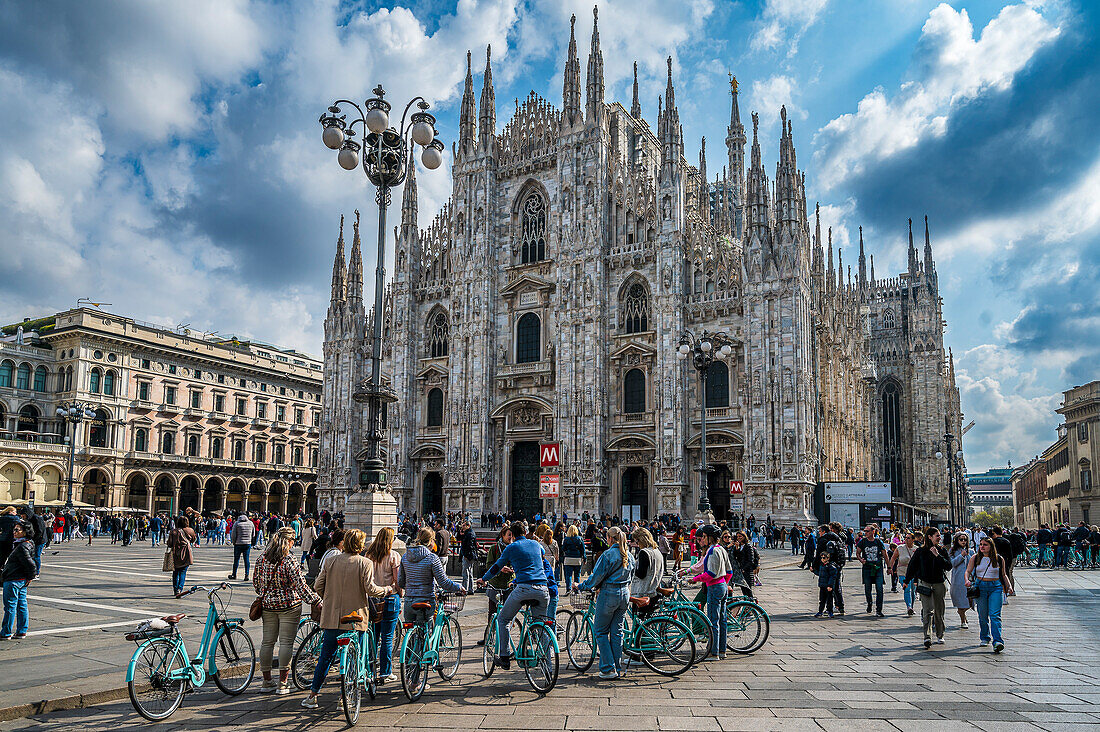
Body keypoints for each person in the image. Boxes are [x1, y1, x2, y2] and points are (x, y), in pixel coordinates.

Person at [301, 529, 392, 709]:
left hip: (332, 618)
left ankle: (312, 696)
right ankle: (346, 698)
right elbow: (371, 589)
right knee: (354, 657)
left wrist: (330, 598)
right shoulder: (364, 562)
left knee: (325, 658)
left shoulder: (330, 560)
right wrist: (387, 590)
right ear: (360, 544)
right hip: (355, 618)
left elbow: (318, 585)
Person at [253, 527, 321, 694]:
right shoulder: (289, 559)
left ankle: (267, 681)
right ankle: (282, 684)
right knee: (286, 643)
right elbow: (301, 586)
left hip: (268, 606)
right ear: (289, 542)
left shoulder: (262, 558)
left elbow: (256, 584)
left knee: (267, 642)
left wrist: (268, 593)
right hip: (289, 606)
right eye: (293, 541)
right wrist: (315, 600)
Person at [477, 522, 548, 670]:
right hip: (543, 589)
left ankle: (504, 657)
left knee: (503, 619)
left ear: (513, 535)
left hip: (524, 588)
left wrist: (483, 579)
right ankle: (548, 665)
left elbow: (496, 567)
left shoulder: (511, 547)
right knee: (541, 625)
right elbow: (542, 554)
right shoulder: (536, 544)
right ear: (526, 531)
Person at [574, 525, 635, 679]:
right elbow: (631, 575)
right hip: (624, 595)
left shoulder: (608, 555)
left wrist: (580, 586)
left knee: (600, 631)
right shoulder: (629, 554)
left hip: (609, 594)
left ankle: (608, 668)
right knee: (617, 633)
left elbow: (596, 577)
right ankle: (617, 667)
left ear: (609, 538)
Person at [365, 526, 402, 684]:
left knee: (373, 635)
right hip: (389, 597)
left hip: (373, 598)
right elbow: (397, 581)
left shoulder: (369, 555)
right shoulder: (393, 556)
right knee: (387, 637)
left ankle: (369, 670)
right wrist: (401, 593)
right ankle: (385, 672)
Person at [688, 524, 731, 660]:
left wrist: (695, 579)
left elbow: (710, 574)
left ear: (710, 537)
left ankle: (713, 652)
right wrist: (724, 583)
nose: (703, 539)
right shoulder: (722, 549)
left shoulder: (712, 551)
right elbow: (729, 571)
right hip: (722, 586)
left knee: (713, 621)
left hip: (714, 587)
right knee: (722, 620)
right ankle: (722, 650)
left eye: (704, 537)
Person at [905, 527, 952, 649]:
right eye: (937, 535)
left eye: (939, 535)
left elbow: (948, 566)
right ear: (929, 537)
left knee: (939, 610)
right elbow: (912, 566)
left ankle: (940, 634)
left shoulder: (941, 550)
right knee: (927, 611)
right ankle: (927, 636)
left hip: (939, 583)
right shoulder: (921, 551)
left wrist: (937, 555)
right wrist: (906, 580)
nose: (940, 537)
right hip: (925, 583)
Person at [965, 536, 1013, 653]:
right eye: (981, 544)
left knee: (995, 615)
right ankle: (985, 637)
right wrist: (966, 580)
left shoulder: (998, 558)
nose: (982, 546)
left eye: (985, 544)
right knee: (982, 614)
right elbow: (968, 571)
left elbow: (1004, 574)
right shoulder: (975, 558)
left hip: (995, 587)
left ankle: (997, 641)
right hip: (980, 587)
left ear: (991, 546)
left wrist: (1009, 586)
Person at [476, 526, 514, 647]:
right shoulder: (494, 548)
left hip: (509, 584)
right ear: (502, 535)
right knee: (492, 613)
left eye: (512, 535)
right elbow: (489, 565)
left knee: (508, 614)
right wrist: (500, 569)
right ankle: (488, 637)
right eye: (509, 535)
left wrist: (512, 570)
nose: (511, 538)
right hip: (495, 585)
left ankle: (505, 639)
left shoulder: (514, 548)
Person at [1, 520, 36, 639]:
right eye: (14, 529)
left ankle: (6, 632)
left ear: (25, 532)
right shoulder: (27, 543)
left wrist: (31, 576)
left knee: (10, 606)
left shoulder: (22, 546)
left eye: (17, 530)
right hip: (20, 579)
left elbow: (31, 564)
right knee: (21, 605)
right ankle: (21, 630)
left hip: (14, 579)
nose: (14, 532)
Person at [856, 525, 888, 617]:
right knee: (867, 589)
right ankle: (869, 603)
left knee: (879, 588)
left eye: (867, 531)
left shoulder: (878, 542)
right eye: (865, 531)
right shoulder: (863, 542)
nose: (865, 533)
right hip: (867, 568)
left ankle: (879, 610)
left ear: (873, 532)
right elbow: (858, 553)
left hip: (877, 568)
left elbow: (885, 554)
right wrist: (861, 559)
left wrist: (889, 567)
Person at [629, 527, 665, 601]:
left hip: (643, 593)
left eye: (637, 542)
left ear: (641, 540)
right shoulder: (657, 551)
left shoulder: (644, 553)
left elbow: (641, 574)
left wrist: (631, 567)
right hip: (654, 591)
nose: (637, 544)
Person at [166, 516, 198, 597]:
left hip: (176, 554)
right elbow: (194, 539)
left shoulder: (173, 531)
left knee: (175, 572)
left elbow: (169, 543)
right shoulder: (190, 530)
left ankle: (175, 589)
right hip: (186, 553)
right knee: (183, 572)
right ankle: (180, 589)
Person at [948, 532, 973, 629]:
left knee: (971, 601)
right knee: (960, 601)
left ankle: (962, 612)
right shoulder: (952, 551)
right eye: (961, 539)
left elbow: (974, 564)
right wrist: (961, 556)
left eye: (965, 539)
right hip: (958, 579)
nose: (963, 541)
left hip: (970, 580)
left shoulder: (971, 551)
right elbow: (951, 564)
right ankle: (963, 620)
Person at [890, 532, 919, 616]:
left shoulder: (917, 549)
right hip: (902, 571)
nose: (906, 539)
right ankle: (909, 607)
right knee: (907, 588)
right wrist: (890, 568)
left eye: (908, 538)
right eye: (905, 537)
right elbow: (893, 558)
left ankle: (911, 607)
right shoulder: (900, 548)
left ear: (913, 540)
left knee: (913, 591)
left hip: (913, 572)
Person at [228, 512, 255, 581]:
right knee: (246, 559)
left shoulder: (237, 523)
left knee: (236, 560)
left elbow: (233, 535)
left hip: (238, 544)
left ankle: (234, 574)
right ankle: (246, 575)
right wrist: (250, 540)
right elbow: (253, 534)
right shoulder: (251, 523)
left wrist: (234, 542)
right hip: (247, 544)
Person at [814, 551, 839, 618]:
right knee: (822, 600)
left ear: (828, 558)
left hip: (828, 586)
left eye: (824, 558)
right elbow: (820, 574)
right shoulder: (822, 565)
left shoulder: (831, 566)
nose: (822, 559)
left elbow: (832, 577)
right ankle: (820, 611)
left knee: (829, 599)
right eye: (821, 558)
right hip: (822, 585)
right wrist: (813, 571)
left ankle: (830, 611)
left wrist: (830, 585)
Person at [561, 524, 585, 592]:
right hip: (577, 558)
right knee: (577, 575)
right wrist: (584, 558)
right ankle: (576, 589)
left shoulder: (566, 539)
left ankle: (568, 588)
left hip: (568, 558)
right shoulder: (580, 538)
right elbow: (582, 550)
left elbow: (563, 548)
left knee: (568, 575)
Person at [458, 520, 479, 594]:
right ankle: (470, 589)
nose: (462, 527)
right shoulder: (468, 533)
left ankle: (464, 590)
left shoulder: (469, 534)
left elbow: (469, 546)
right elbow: (459, 538)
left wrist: (466, 555)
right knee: (470, 573)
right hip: (471, 556)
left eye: (464, 526)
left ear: (468, 526)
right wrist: (461, 532)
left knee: (465, 573)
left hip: (468, 556)